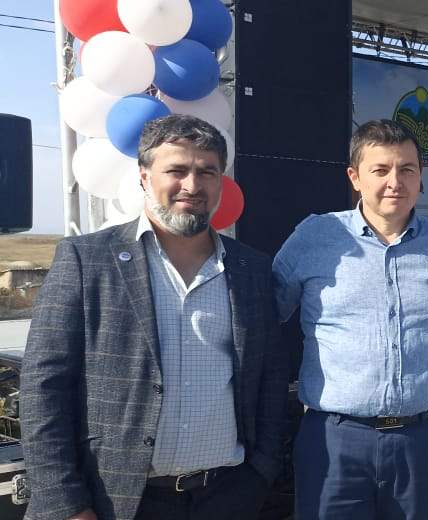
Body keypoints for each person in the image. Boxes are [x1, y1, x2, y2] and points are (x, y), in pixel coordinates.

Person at [21, 114, 289, 519]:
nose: (192, 185)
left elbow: (270, 375)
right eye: (176, 170)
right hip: (118, 501)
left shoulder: (251, 269)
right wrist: (65, 504)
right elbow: (44, 388)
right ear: (144, 177)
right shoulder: (87, 260)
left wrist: (260, 473)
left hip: (228, 496)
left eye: (207, 172)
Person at [274, 119, 428, 519]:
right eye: (380, 170)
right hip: (334, 441)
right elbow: (264, 321)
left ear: (420, 177)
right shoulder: (315, 237)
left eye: (407, 169)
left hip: (421, 442)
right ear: (355, 177)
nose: (395, 182)